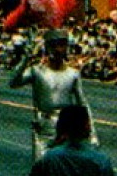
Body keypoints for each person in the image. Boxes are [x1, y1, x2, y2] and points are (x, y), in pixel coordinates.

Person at [12, 29, 91, 161]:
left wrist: (92, 134)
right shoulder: (36, 71)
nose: (58, 50)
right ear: (47, 48)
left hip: (67, 129)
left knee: (65, 167)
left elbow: (82, 103)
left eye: (62, 45)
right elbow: (13, 82)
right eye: (53, 45)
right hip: (43, 127)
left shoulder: (73, 74)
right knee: (41, 166)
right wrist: (25, 59)